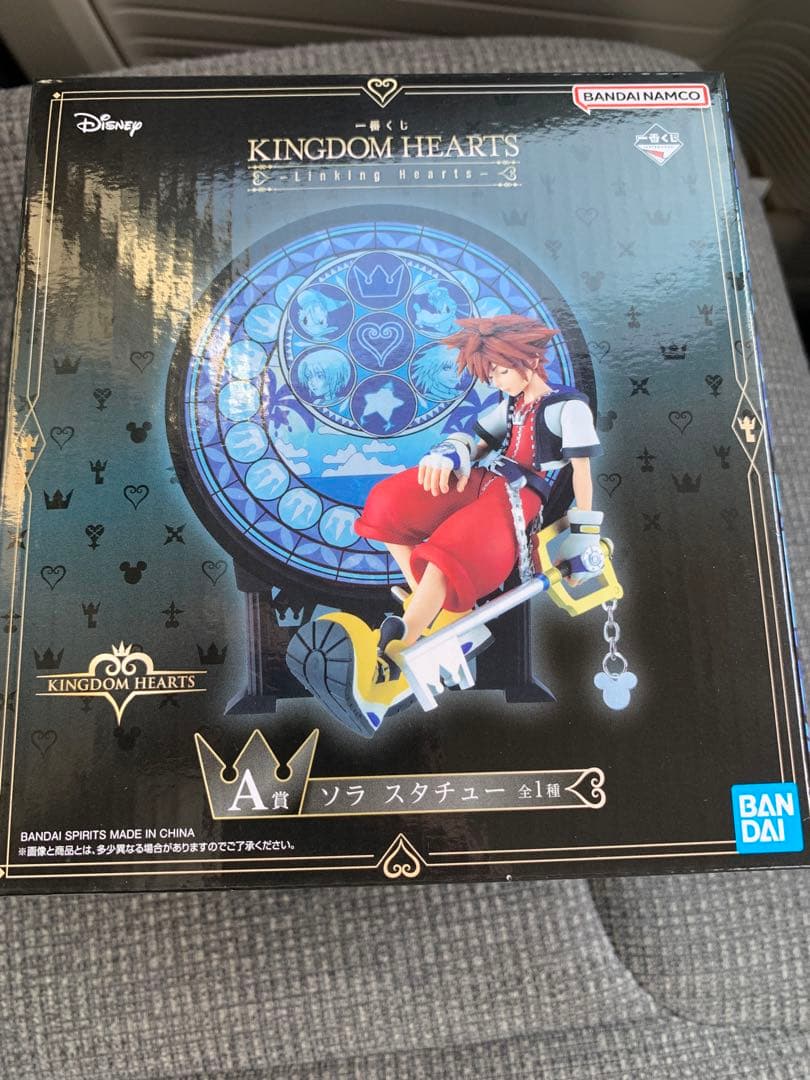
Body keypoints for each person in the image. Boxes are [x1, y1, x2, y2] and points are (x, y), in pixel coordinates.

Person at [353, 314, 603, 685]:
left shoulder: (569, 408)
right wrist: (451, 453)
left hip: (522, 496)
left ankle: (396, 650)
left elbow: (581, 472)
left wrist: (585, 535)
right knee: (388, 503)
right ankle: (433, 608)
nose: (497, 382)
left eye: (501, 372)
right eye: (492, 375)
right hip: (486, 478)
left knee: (453, 547)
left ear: (531, 360)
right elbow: (478, 444)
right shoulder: (512, 405)